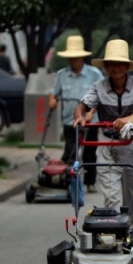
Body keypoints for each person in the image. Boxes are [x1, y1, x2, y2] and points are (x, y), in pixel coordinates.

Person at [73, 39, 133, 218]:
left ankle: (131, 229)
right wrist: (79, 117)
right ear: (106, 66)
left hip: (132, 144)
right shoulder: (99, 87)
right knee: (111, 196)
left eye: (120, 64)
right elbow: (82, 106)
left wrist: (129, 119)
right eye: (112, 64)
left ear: (126, 66)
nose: (116, 68)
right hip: (107, 145)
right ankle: (115, 231)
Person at [49, 35, 103, 193]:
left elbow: (100, 96)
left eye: (76, 57)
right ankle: (67, 179)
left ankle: (90, 181)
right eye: (70, 58)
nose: (73, 61)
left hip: (90, 121)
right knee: (70, 151)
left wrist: (91, 112)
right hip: (69, 120)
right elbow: (54, 93)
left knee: (89, 153)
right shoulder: (62, 75)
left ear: (81, 57)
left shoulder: (94, 74)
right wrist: (52, 100)